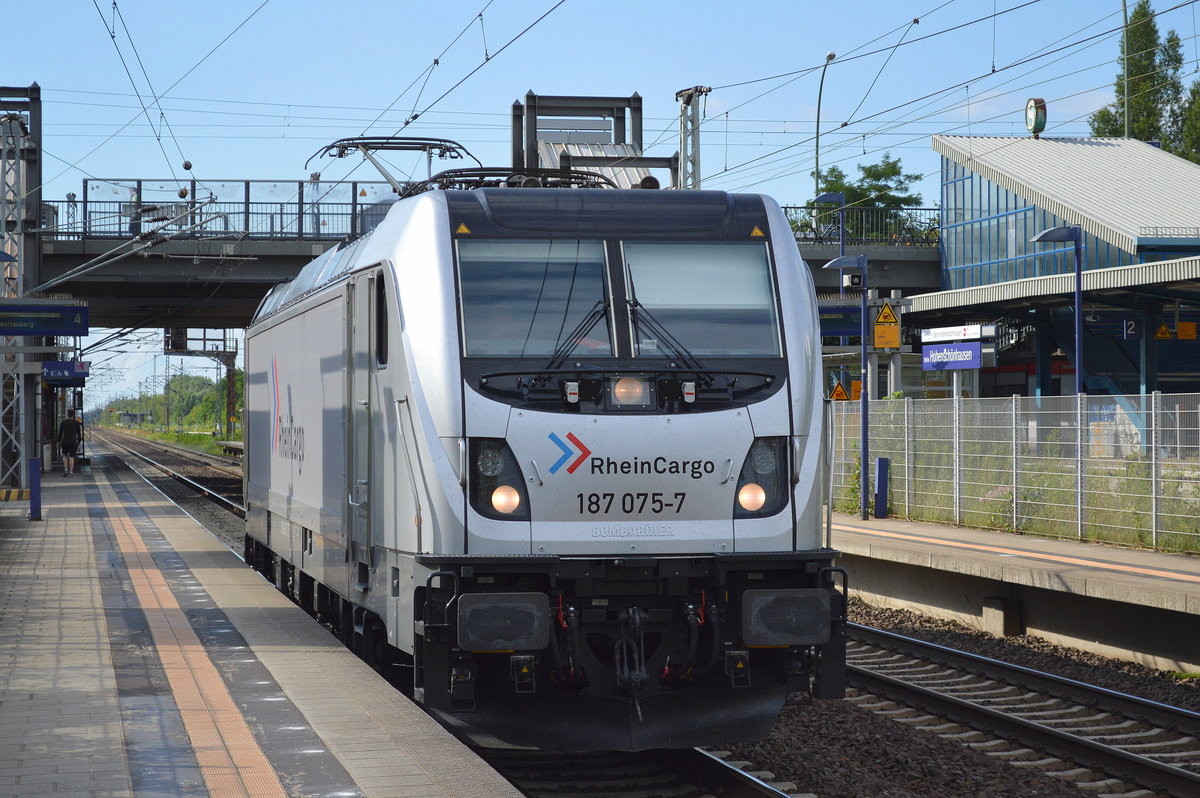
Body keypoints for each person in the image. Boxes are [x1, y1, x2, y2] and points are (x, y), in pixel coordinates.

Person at [57, 408, 82, 477]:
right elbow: (79, 434)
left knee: (65, 456)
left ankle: (65, 470)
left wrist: (58, 441)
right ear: (73, 415)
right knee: (71, 457)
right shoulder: (76, 423)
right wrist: (79, 442)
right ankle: (71, 472)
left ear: (67, 415)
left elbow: (60, 432)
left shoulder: (64, 422)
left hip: (65, 442)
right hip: (73, 442)